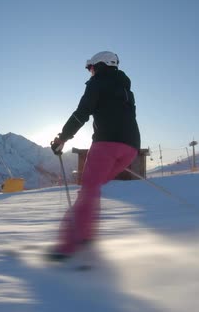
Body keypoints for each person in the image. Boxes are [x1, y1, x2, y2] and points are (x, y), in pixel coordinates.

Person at [49, 51, 141, 260]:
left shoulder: (97, 83)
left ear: (100, 65)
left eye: (91, 67)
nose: (90, 72)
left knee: (88, 191)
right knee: (92, 190)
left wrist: (62, 138)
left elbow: (82, 112)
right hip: (130, 149)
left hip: (106, 145)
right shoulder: (127, 90)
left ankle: (67, 247)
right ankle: (86, 237)